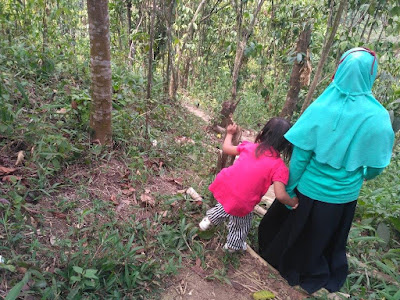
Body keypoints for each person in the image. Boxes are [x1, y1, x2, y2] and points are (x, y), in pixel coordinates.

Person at [258, 47, 395, 294]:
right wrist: (360, 177)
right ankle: (316, 271)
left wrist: (289, 191)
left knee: (286, 233)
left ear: (339, 70)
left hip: (308, 191)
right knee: (325, 240)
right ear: (371, 75)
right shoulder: (378, 117)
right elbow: (376, 167)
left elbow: (300, 158)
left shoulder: (320, 107)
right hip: (343, 198)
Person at [199, 118, 299, 252]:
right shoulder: (279, 166)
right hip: (243, 200)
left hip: (226, 186)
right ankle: (233, 246)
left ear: (263, 133)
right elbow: (280, 195)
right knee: (242, 224)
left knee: (226, 205)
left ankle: (209, 219)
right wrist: (292, 202)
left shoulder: (249, 147)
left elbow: (226, 148)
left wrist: (229, 133)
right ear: (286, 145)